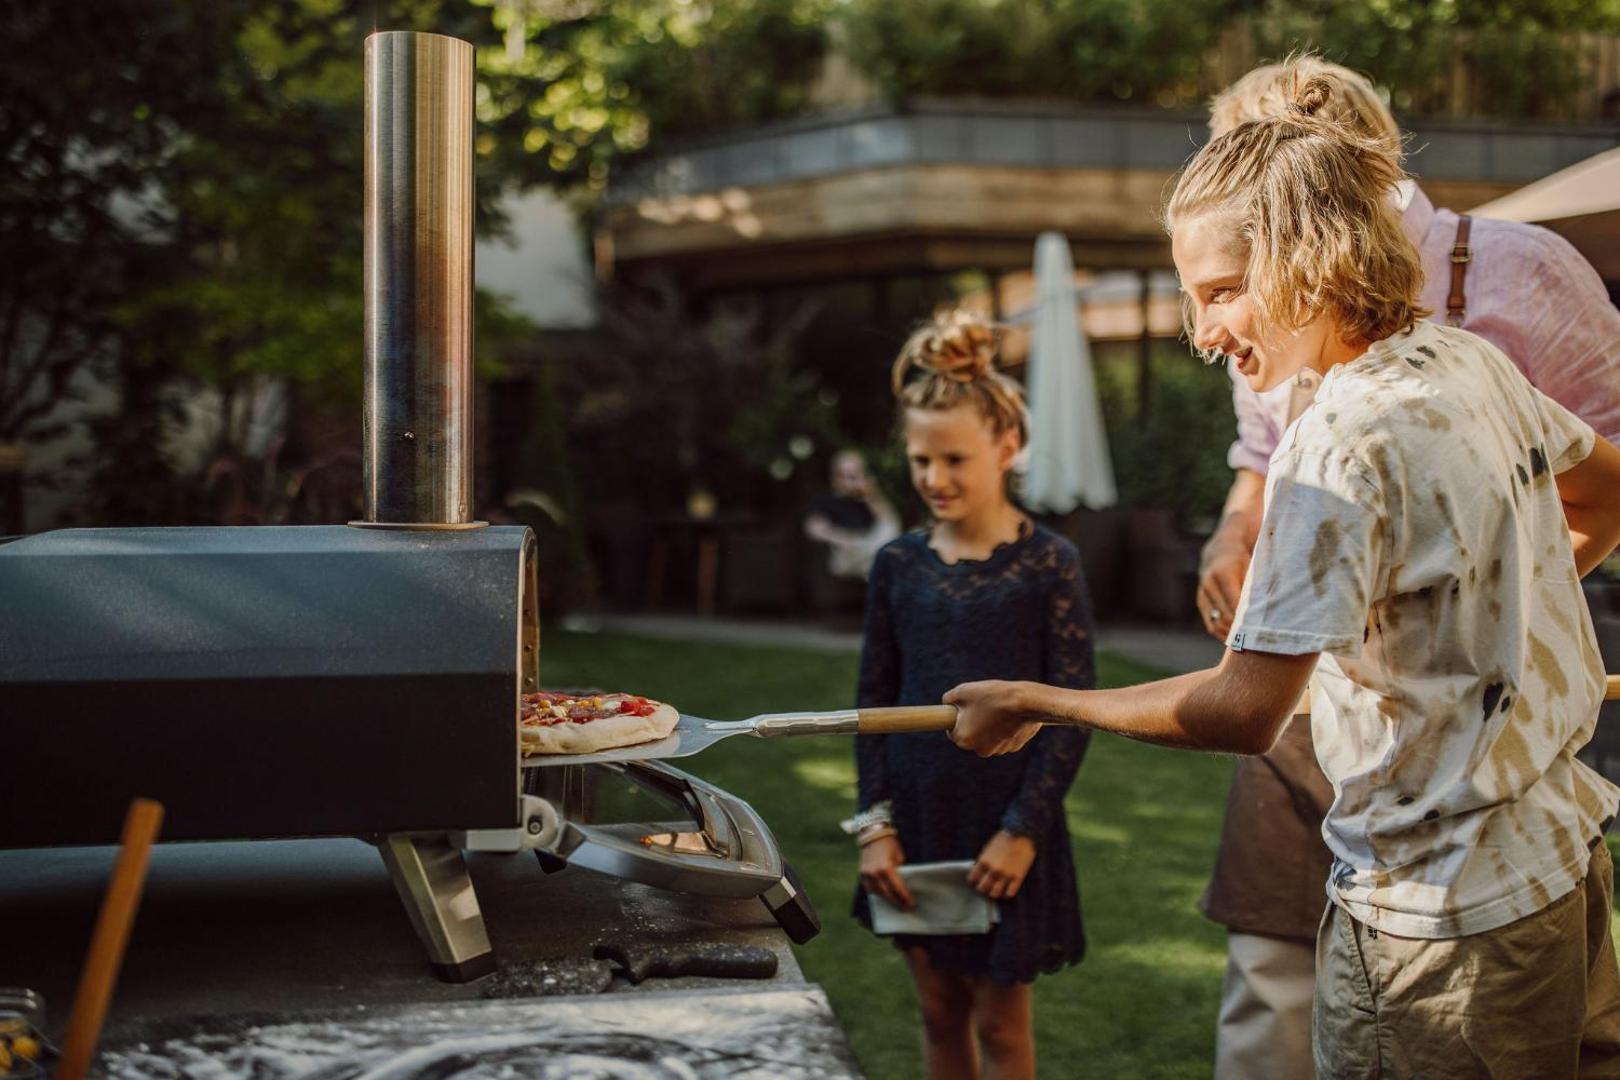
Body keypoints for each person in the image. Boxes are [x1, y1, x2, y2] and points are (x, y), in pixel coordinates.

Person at [945, 69, 1620, 1077]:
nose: (1201, 331)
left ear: (1315, 259)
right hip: (1566, 875)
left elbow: (1241, 711)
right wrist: (1505, 621)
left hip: (1437, 932)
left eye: (1221, 292)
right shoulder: (1470, 362)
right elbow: (1606, 495)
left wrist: (1037, 700)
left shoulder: (1332, 443)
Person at [1191, 56, 1620, 1080]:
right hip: (1325, 702)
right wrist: (1233, 532)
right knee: (1267, 977)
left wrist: (1498, 615)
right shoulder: (1288, 330)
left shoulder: (1522, 277)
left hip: (1468, 844)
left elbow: (1598, 469)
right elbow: (1264, 457)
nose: (1206, 325)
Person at [849, 309, 1092, 1080]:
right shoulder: (897, 565)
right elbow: (871, 702)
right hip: (917, 820)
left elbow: (1070, 712)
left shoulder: (1049, 564)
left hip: (1008, 821)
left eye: (954, 458)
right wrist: (874, 826)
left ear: (1007, 447)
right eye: (921, 459)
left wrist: (1023, 830)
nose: (933, 478)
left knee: (1001, 1024)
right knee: (938, 1010)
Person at [804, 449, 900, 582]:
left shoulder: (866, 498)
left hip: (870, 546)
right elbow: (813, 529)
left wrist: (871, 495)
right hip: (846, 552)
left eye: (860, 474)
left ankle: (879, 576)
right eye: (851, 476)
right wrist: (842, 539)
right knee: (887, 554)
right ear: (837, 478)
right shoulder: (826, 500)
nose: (857, 480)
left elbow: (890, 523)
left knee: (885, 547)